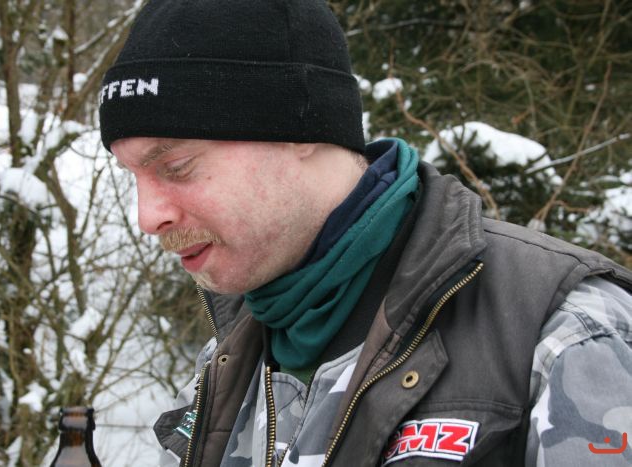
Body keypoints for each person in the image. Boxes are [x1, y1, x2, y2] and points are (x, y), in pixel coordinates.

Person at [98, 1, 632, 466]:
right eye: (132, 176)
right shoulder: (227, 358)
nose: (147, 217)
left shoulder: (563, 333)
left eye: (177, 167)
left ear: (299, 128)